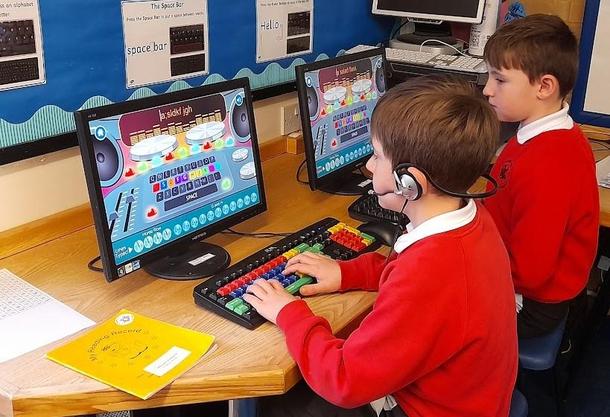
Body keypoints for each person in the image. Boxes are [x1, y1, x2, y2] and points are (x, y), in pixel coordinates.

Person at [243, 75, 518, 417]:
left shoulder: (430, 273)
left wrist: (289, 313)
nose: (369, 166)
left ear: (410, 182)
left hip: (424, 410)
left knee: (282, 404)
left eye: (376, 155)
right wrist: (347, 273)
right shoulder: (471, 219)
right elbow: (411, 277)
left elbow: (344, 380)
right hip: (467, 397)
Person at [482, 14, 600, 338]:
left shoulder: (550, 163)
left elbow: (530, 273)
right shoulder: (537, 134)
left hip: (530, 304)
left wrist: (467, 261)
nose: (487, 90)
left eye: (500, 79)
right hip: (514, 271)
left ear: (544, 87)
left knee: (430, 308)